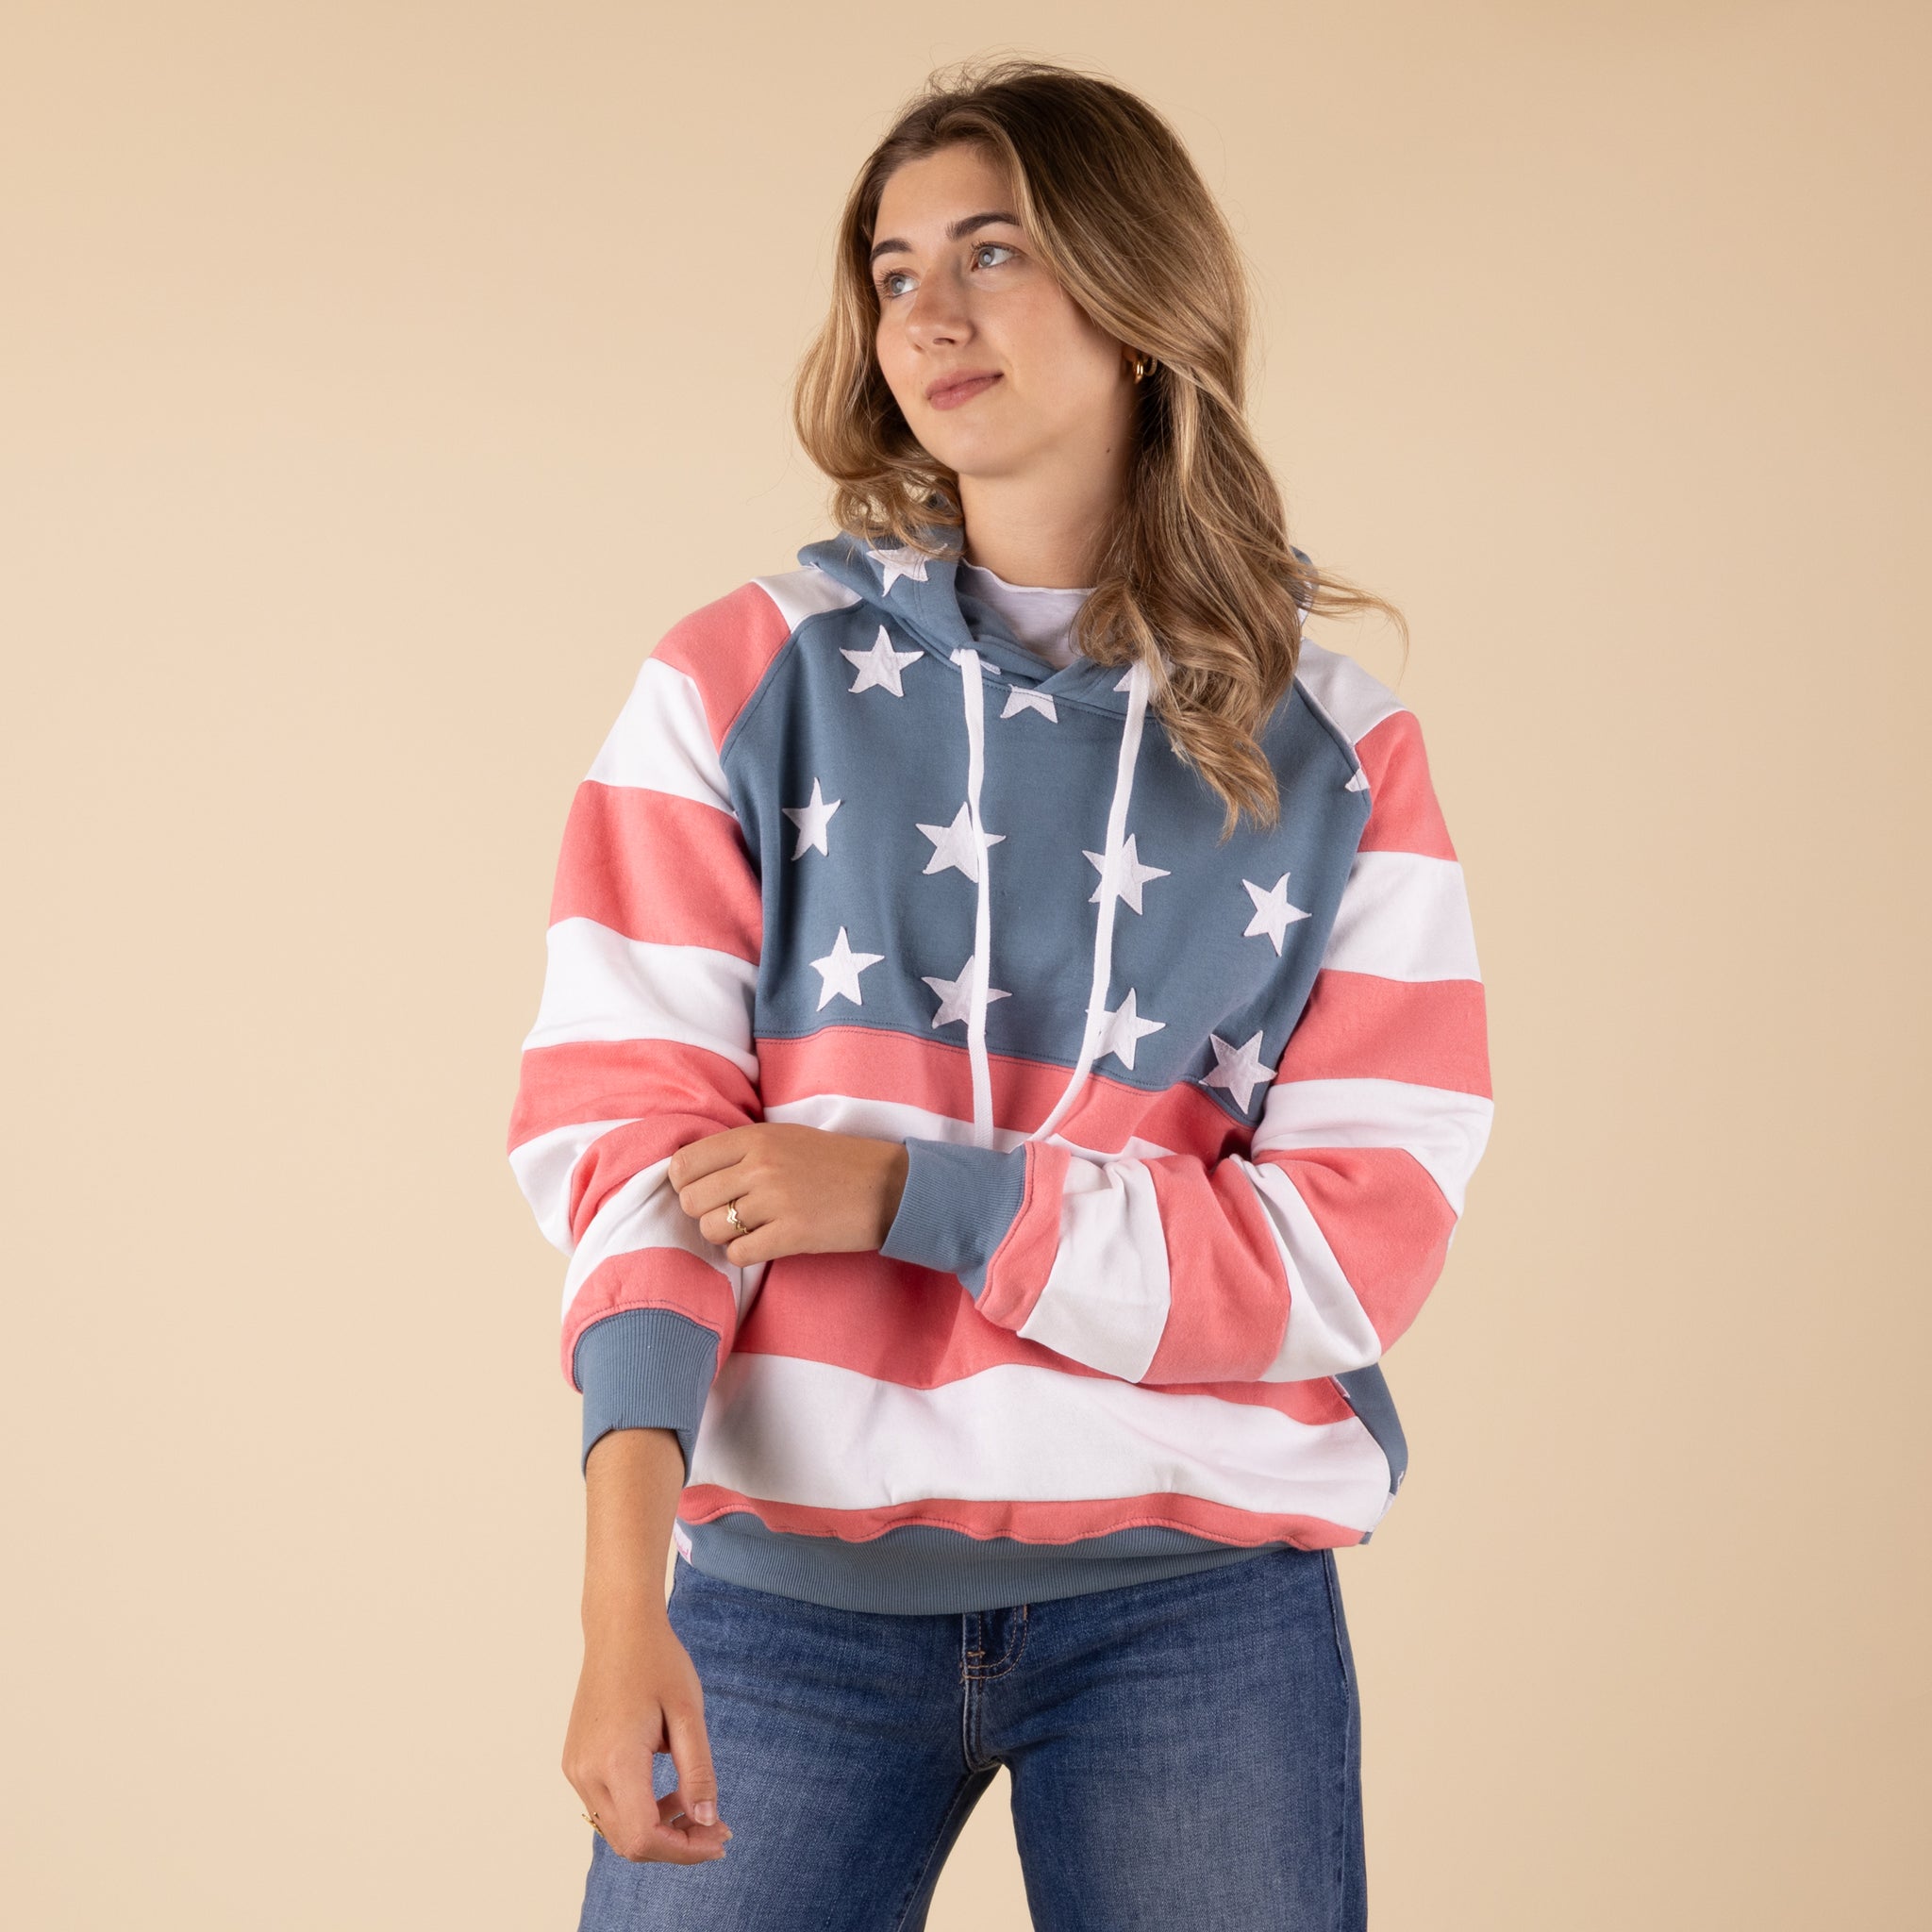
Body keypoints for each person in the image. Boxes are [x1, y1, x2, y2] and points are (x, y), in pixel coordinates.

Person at [507, 56, 1492, 1932]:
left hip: (1194, 1604)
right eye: (893, 272)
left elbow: (1352, 1254)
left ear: (1137, 292)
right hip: (782, 1597)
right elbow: (636, 1154)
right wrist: (618, 1606)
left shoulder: (1343, 754)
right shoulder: (737, 681)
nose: (928, 316)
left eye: (993, 251)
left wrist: (914, 1195)